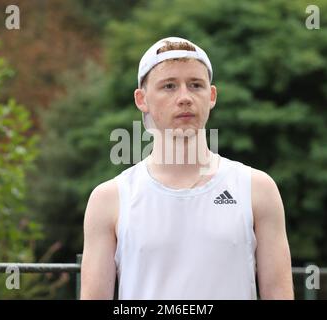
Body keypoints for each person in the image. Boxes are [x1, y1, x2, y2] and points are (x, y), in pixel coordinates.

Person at [80, 37, 294, 300]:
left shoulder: (257, 189)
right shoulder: (109, 199)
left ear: (212, 95)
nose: (184, 98)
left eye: (195, 85)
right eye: (169, 86)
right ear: (142, 99)